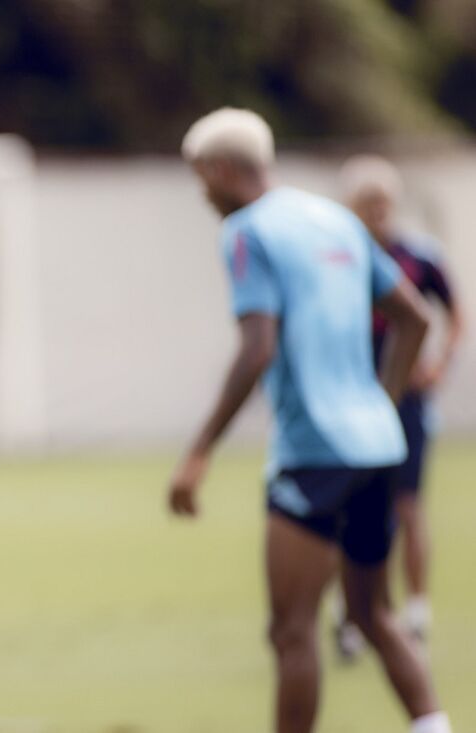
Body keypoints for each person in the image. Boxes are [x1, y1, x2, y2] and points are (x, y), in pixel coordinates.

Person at [168, 108, 451, 733]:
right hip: (380, 445)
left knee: (292, 629)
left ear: (218, 169)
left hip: (314, 452)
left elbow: (257, 348)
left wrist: (198, 452)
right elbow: (417, 319)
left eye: (200, 178)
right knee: (375, 613)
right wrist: (382, 401)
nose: (202, 193)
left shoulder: (245, 231)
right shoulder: (337, 220)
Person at [331, 155, 464, 658]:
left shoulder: (417, 258)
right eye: (367, 204)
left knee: (407, 505)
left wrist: (437, 367)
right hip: (353, 396)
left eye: (384, 202)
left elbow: (451, 316)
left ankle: (415, 613)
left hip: (404, 399)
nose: (378, 212)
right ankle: (353, 609)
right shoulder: (340, 258)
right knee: (350, 506)